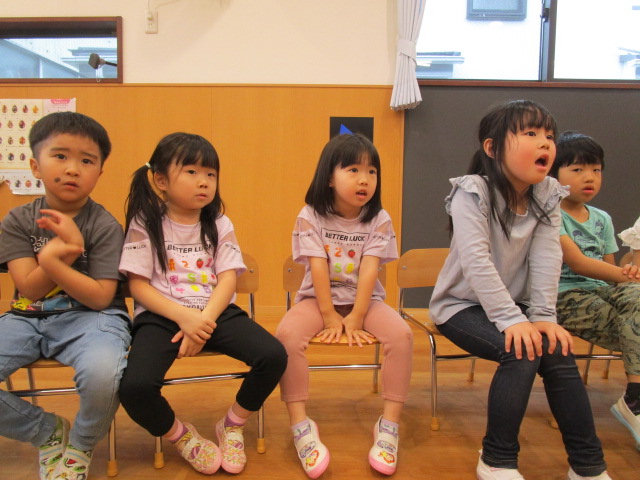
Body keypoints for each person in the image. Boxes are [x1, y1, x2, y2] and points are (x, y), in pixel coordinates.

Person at [430, 100, 612, 480]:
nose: (545, 143)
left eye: (549, 136)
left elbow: (548, 257)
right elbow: (477, 262)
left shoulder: (547, 193)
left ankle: (588, 466)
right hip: (460, 306)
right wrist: (512, 320)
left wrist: (543, 316)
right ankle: (497, 459)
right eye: (530, 133)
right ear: (492, 147)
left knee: (557, 351)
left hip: (516, 307)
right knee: (522, 352)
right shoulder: (473, 191)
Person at [117, 132, 287, 475]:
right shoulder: (145, 222)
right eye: (192, 172)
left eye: (211, 174)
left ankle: (233, 424)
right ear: (161, 180)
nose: (204, 181)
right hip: (162, 315)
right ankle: (181, 436)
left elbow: (228, 279)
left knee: (273, 356)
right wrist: (185, 318)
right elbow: (137, 286)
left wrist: (203, 322)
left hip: (214, 311)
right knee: (135, 388)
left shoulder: (219, 222)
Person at [0, 112, 131, 480]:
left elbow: (101, 298)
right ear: (35, 166)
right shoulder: (17, 220)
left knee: (104, 374)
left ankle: (80, 444)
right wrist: (59, 254)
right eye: (60, 156)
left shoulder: (104, 225)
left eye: (86, 161)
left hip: (93, 319)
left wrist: (55, 257)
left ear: (100, 172)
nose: (73, 169)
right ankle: (46, 431)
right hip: (26, 317)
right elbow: (29, 289)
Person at [275, 133, 413, 478]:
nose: (364, 179)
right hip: (316, 300)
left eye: (371, 171)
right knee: (287, 336)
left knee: (402, 336)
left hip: (364, 302)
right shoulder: (310, 215)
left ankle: (389, 426)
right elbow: (318, 266)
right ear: (329, 178)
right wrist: (328, 315)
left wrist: (357, 316)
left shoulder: (379, 218)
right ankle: (301, 426)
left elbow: (370, 269)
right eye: (353, 170)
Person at [548, 131, 640, 451]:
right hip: (565, 294)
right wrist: (628, 276)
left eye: (596, 170)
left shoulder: (602, 218)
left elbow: (609, 271)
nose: (589, 177)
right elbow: (579, 263)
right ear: (553, 176)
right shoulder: (550, 213)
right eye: (577, 169)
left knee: (636, 306)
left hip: (600, 289)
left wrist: (629, 275)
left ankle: (634, 396)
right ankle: (635, 401)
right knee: (633, 326)